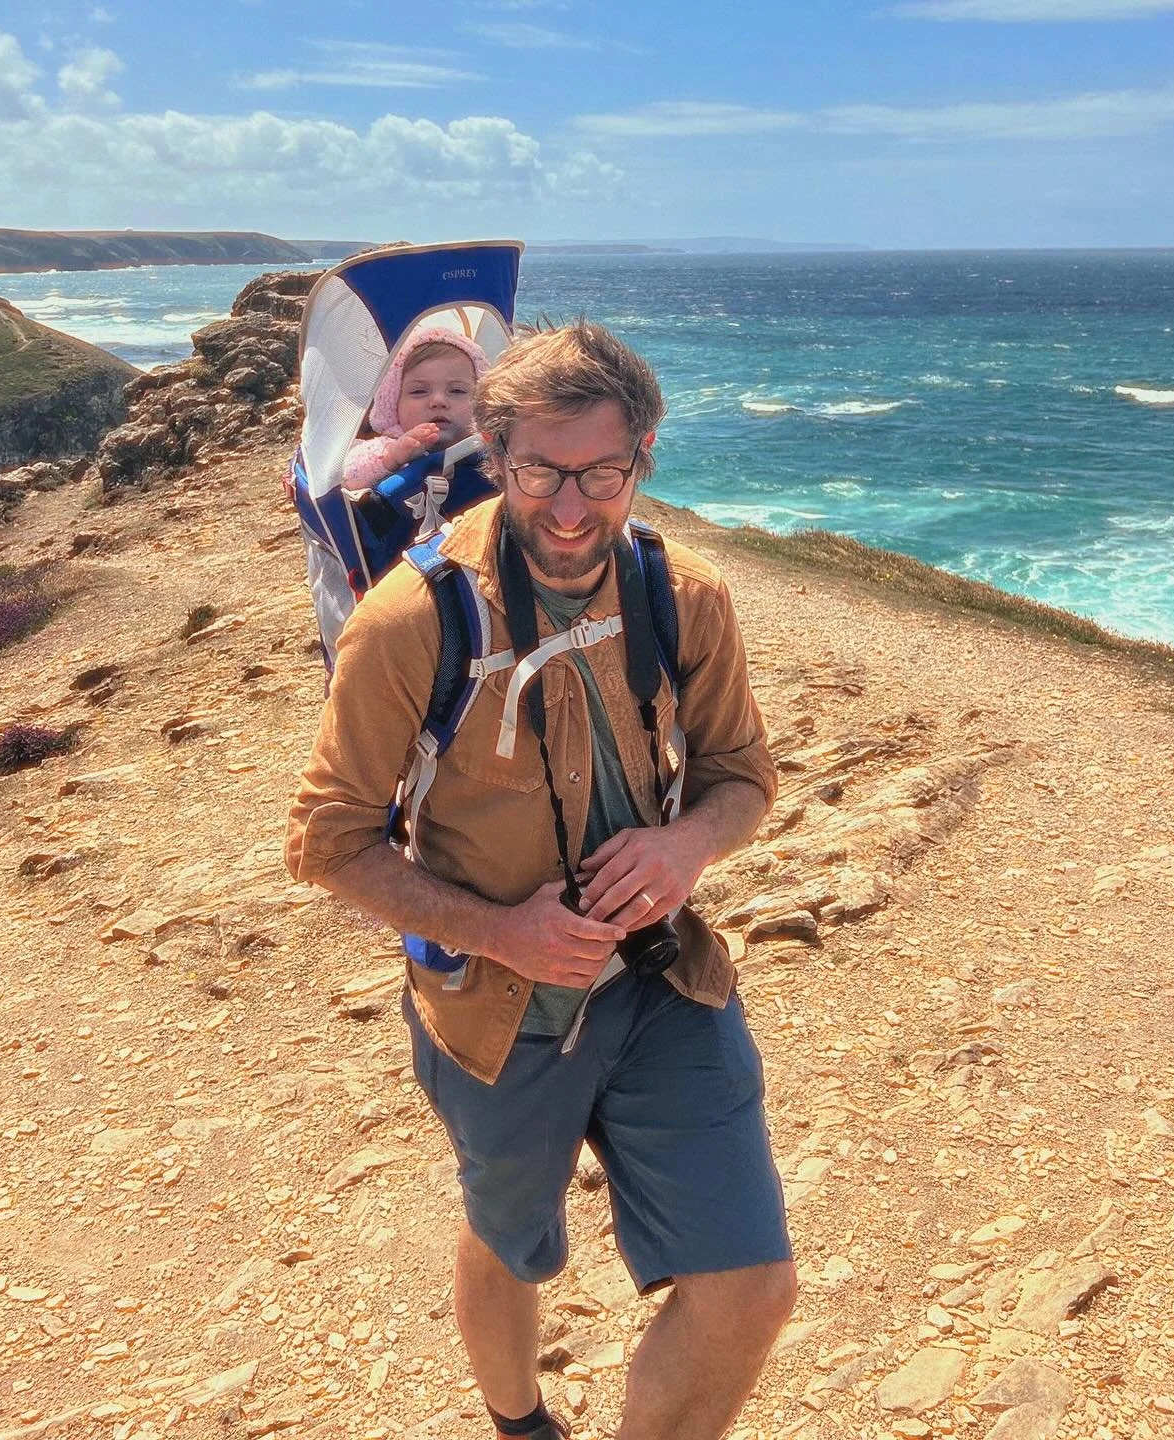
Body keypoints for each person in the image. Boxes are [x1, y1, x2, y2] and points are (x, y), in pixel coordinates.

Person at [285, 320, 795, 1440]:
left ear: (642, 457)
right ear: (495, 454)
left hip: (665, 982)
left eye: (602, 474)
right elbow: (327, 839)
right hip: (494, 1012)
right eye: (539, 475)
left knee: (752, 1288)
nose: (571, 510)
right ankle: (519, 1424)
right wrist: (499, 932)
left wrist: (686, 848)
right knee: (512, 1241)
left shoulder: (684, 595)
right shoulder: (413, 621)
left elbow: (743, 776)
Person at [342, 326, 490, 488]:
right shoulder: (388, 446)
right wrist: (391, 458)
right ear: (393, 402)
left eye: (457, 390)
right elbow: (349, 476)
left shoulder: (491, 446)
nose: (438, 401)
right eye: (419, 391)